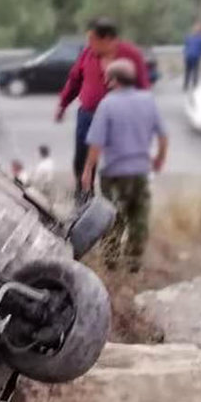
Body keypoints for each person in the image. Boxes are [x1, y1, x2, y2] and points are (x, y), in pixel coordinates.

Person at [80, 59, 169, 273]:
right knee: (139, 221)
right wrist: (159, 159)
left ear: (114, 80)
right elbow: (163, 136)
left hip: (114, 175)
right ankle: (133, 265)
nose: (106, 81)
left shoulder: (108, 104)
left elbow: (97, 143)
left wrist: (87, 170)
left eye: (108, 77)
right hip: (140, 173)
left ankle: (110, 266)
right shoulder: (148, 100)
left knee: (113, 222)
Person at [55, 18, 150, 190]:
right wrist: (62, 105)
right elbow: (74, 81)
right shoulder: (87, 54)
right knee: (82, 161)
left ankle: (116, 203)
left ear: (107, 40)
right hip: (88, 116)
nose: (88, 44)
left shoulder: (132, 55)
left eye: (92, 39)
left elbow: (143, 88)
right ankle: (84, 198)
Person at [182, 22, 201, 91]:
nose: (196, 29)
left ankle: (195, 86)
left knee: (195, 72)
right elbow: (186, 45)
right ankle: (185, 85)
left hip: (196, 57)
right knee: (187, 71)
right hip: (189, 56)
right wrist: (185, 53)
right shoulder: (189, 36)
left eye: (198, 28)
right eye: (195, 28)